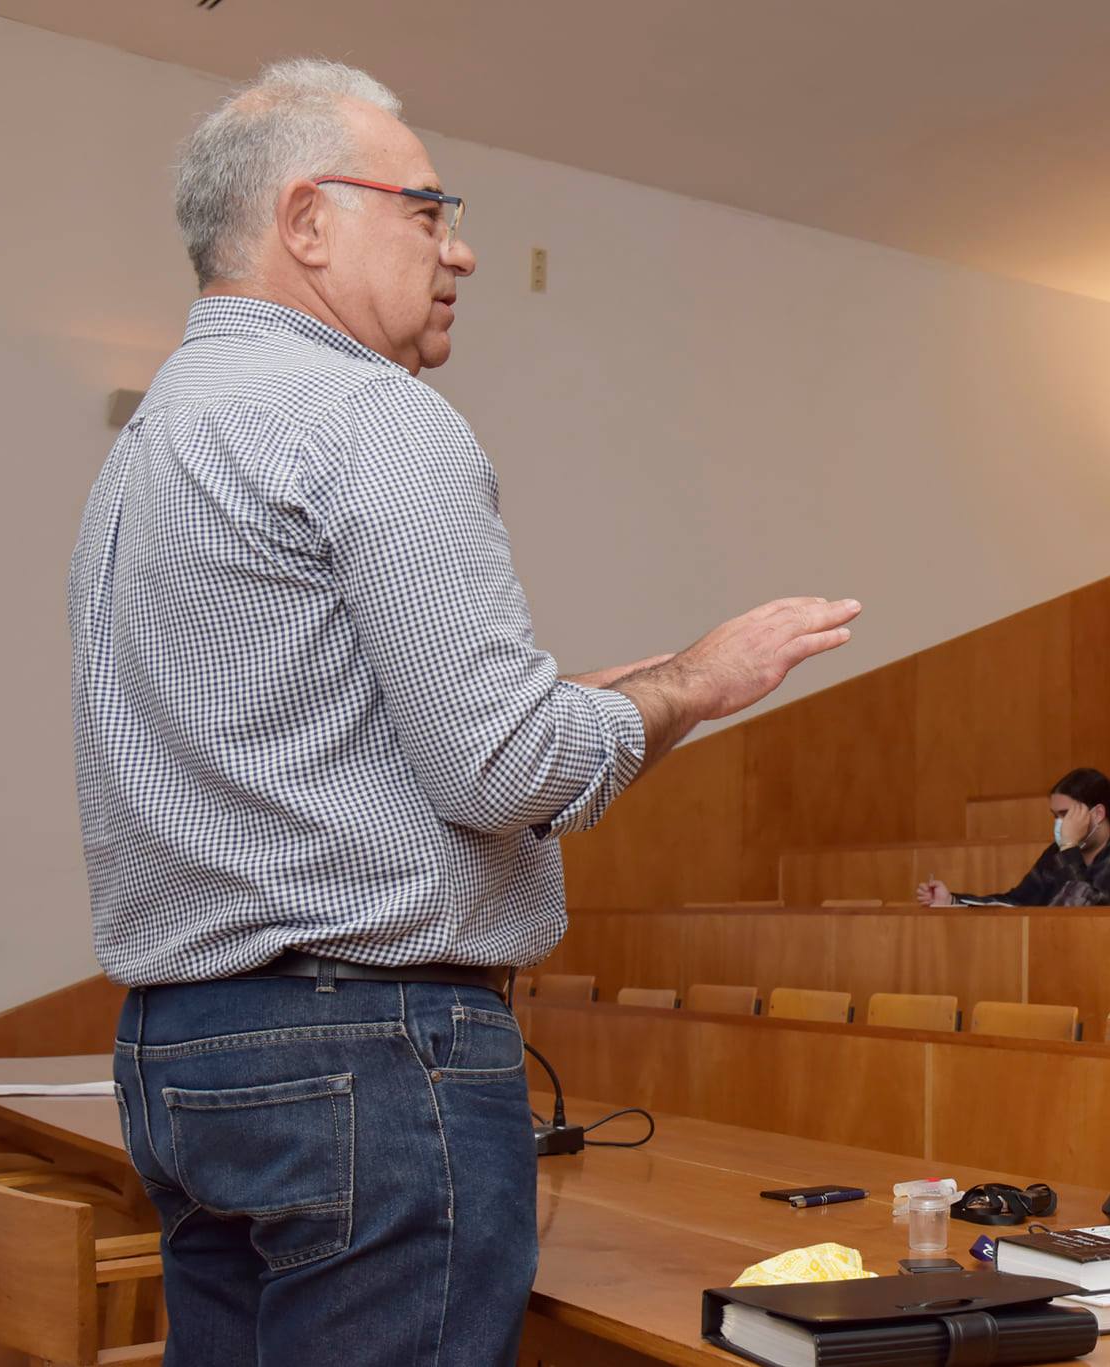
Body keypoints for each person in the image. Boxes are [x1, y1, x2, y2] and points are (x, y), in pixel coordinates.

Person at [67, 61, 859, 1367]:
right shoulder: (373, 416)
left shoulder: (148, 443)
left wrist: (588, 697)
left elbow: (302, 741)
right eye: (430, 210)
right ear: (309, 220)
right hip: (368, 1056)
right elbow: (499, 771)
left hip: (179, 1051)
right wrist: (688, 689)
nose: (465, 250)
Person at [916, 769, 1110, 906]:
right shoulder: (1058, 854)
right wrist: (953, 900)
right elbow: (1017, 902)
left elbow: (1084, 912)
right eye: (1054, 815)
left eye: (1065, 814)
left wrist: (1069, 846)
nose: (1059, 824)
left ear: (1098, 813)